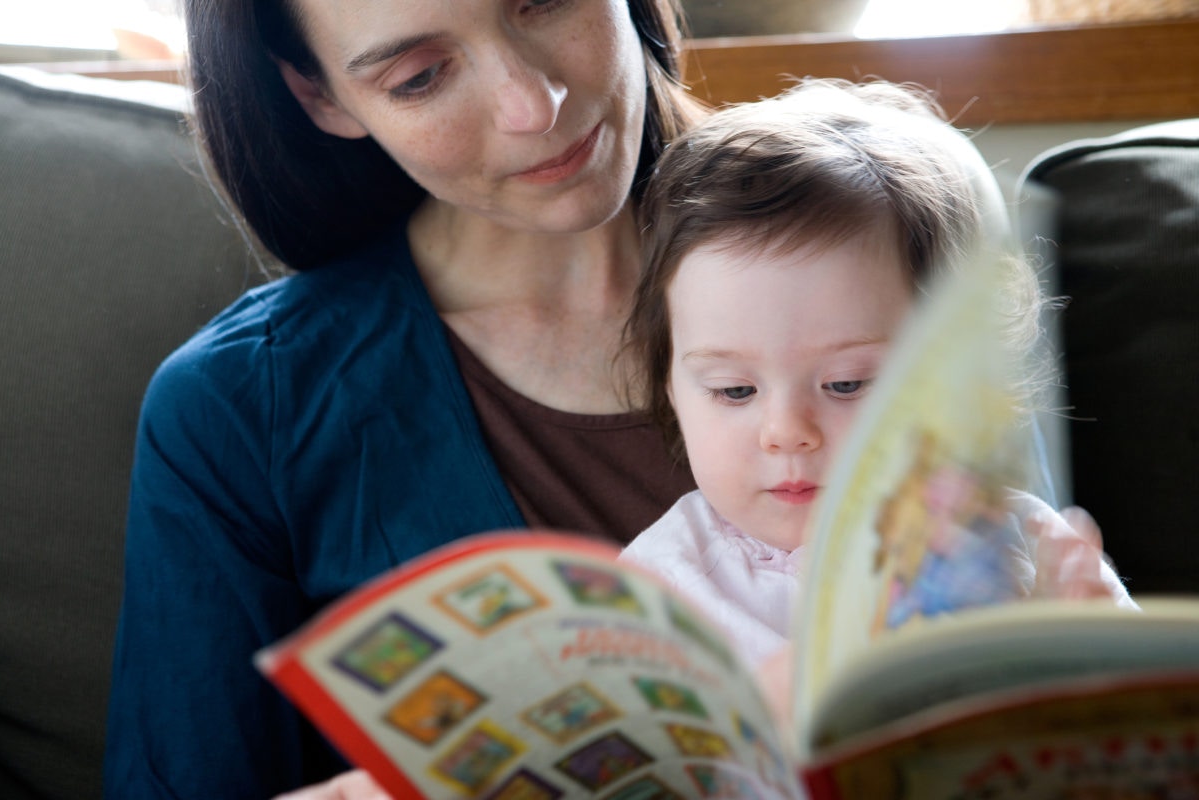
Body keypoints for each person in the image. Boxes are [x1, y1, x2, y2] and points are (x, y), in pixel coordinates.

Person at [103, 1, 707, 797]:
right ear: (320, 97)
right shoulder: (241, 410)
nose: (535, 104)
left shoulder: (883, 248)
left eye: (546, 0)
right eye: (419, 77)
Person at [617, 78, 1136, 672]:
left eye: (846, 383)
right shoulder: (655, 593)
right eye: (734, 390)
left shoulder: (1022, 548)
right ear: (673, 393)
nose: (786, 431)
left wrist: (1092, 656)